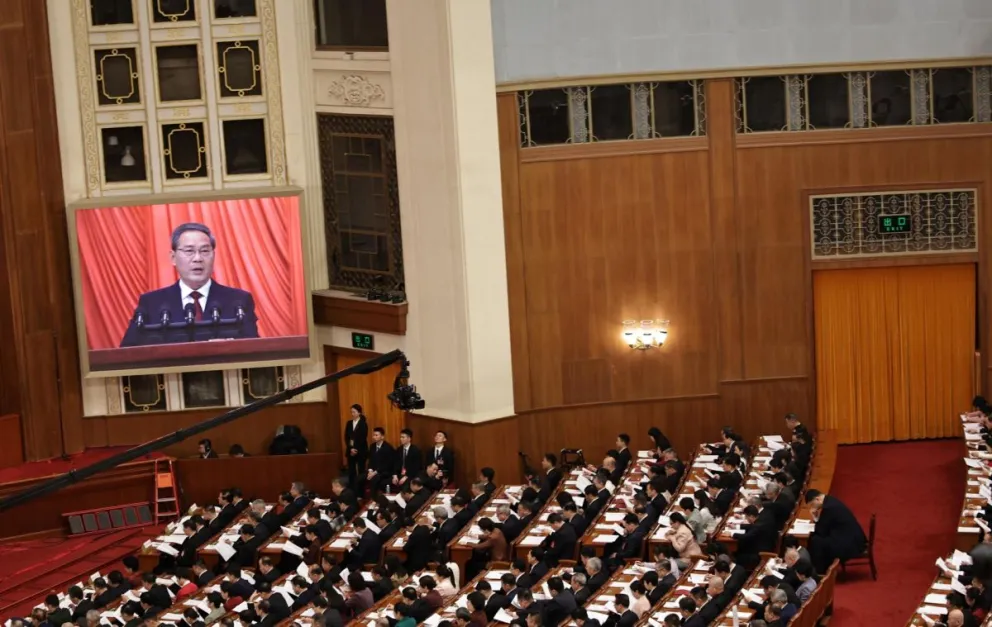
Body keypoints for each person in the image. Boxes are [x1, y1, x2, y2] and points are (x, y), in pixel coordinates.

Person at [120, 222, 258, 347]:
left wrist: (229, 348)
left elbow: (254, 349)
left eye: (204, 251)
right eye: (189, 251)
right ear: (173, 258)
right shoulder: (151, 302)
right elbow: (127, 352)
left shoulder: (238, 300)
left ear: (213, 256)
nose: (197, 258)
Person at [805, 489, 868, 572]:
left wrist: (815, 517)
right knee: (816, 539)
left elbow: (821, 531)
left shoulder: (828, 508)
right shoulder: (830, 500)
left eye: (812, 505)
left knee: (816, 542)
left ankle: (820, 572)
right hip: (851, 536)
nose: (813, 508)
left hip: (849, 543)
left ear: (817, 499)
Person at [344, 404, 368, 493]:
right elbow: (346, 437)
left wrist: (356, 449)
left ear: (359, 413)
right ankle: (351, 490)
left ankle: (361, 492)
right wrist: (350, 449)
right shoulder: (349, 423)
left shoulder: (363, 423)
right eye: (351, 412)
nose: (352, 414)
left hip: (360, 450)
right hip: (350, 450)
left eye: (354, 412)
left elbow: (362, 438)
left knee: (361, 471)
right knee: (351, 471)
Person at [367, 427, 396, 494]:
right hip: (373, 470)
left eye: (376, 435)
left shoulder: (388, 448)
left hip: (383, 471)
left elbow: (387, 465)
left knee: (374, 478)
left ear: (382, 437)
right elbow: (370, 460)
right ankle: (359, 497)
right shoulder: (372, 446)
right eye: (373, 435)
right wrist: (370, 470)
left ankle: (373, 499)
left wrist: (374, 472)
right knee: (359, 478)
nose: (374, 437)